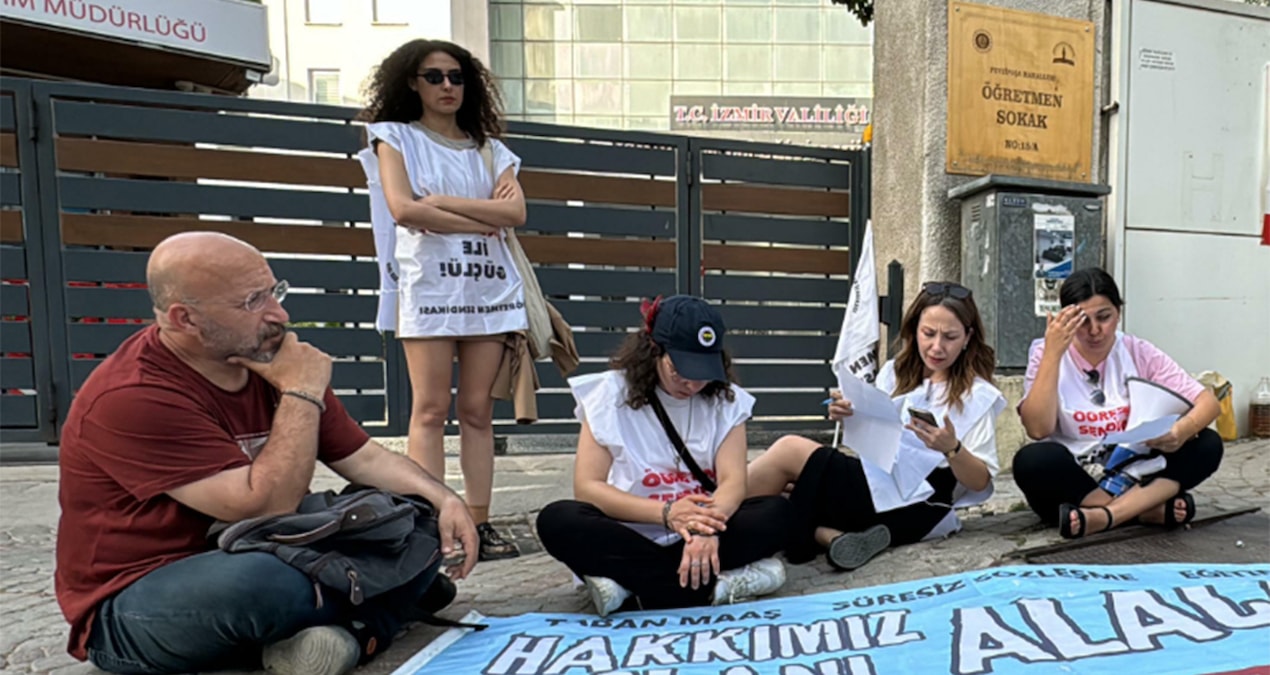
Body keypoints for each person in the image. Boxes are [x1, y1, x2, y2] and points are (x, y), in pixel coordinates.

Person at [54, 232, 480, 675]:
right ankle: (383, 609)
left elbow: (365, 458)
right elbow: (266, 505)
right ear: (185, 318)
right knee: (264, 584)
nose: (279, 313)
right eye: (253, 301)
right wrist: (301, 392)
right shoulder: (133, 395)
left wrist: (444, 499)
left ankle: (361, 611)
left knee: (417, 514)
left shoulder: (265, 354)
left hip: (267, 546)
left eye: (275, 291)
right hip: (141, 597)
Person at [360, 39, 526, 560]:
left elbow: (515, 214)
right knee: (430, 410)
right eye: (434, 77)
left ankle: (480, 521)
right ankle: (432, 522)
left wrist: (443, 203)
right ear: (412, 83)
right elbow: (403, 210)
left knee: (477, 412)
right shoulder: (395, 137)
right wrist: (479, 216)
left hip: (489, 290)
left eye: (456, 76)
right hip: (429, 291)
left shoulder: (491, 150)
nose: (447, 86)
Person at [536, 295, 794, 616]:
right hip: (631, 530)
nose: (692, 384)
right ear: (654, 350)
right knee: (558, 520)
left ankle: (633, 584)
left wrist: (704, 529)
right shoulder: (609, 394)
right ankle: (706, 587)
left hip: (704, 531)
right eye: (679, 370)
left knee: (777, 512)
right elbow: (588, 487)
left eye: (703, 373)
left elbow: (733, 482)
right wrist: (667, 513)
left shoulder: (726, 402)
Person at [747, 282, 1006, 571]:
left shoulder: (977, 395)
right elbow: (874, 440)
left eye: (950, 337)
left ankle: (719, 509)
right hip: (878, 486)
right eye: (928, 333)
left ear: (968, 337)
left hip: (921, 505)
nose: (937, 347)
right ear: (914, 330)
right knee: (789, 491)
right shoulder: (894, 373)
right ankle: (828, 535)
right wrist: (849, 415)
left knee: (790, 451)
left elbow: (980, 481)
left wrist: (952, 449)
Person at [1013, 267, 1223, 538]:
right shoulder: (1045, 352)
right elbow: (1038, 429)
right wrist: (1053, 354)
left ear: (1119, 313)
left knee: (1207, 443)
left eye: (1104, 317)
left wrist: (1181, 432)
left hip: (1135, 468)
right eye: (1082, 321)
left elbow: (1208, 403)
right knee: (1032, 461)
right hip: (1077, 477)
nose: (1094, 331)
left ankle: (1105, 516)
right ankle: (1142, 510)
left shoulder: (1136, 350)